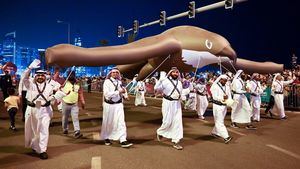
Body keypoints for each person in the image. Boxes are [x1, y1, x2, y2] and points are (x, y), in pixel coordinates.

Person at [22, 59, 58, 160]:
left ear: (45, 77)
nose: (40, 77)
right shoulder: (30, 84)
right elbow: (24, 78)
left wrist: (52, 99)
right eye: (38, 75)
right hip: (32, 109)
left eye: (42, 75)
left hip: (45, 110)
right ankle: (34, 146)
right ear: (35, 76)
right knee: (33, 130)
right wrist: (29, 68)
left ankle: (42, 150)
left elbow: (57, 93)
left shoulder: (50, 86)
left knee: (44, 130)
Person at [100, 67, 133, 148]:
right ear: (110, 74)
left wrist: (125, 96)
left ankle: (123, 140)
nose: (115, 74)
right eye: (113, 72)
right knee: (108, 122)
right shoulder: (107, 82)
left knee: (121, 122)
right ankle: (106, 137)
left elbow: (123, 91)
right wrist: (119, 91)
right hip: (109, 105)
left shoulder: (119, 82)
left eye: (116, 72)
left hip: (118, 105)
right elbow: (107, 94)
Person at [154, 67, 183, 150]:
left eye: (177, 72)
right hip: (167, 103)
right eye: (173, 72)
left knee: (177, 122)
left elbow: (180, 93)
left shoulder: (180, 83)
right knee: (167, 121)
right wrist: (160, 80)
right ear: (170, 73)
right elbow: (156, 88)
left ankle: (176, 141)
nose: (175, 74)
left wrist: (182, 97)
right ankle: (160, 132)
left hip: (177, 104)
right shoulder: (165, 81)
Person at [61, 71, 85, 138]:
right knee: (65, 118)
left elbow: (80, 93)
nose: (71, 76)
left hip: (74, 104)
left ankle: (77, 132)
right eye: (69, 74)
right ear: (67, 75)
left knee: (75, 118)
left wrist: (82, 101)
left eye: (72, 74)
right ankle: (65, 129)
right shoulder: (64, 82)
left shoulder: (78, 83)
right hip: (65, 103)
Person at [210, 75, 233, 144]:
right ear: (220, 79)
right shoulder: (215, 86)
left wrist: (229, 101)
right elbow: (215, 96)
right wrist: (223, 98)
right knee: (219, 122)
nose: (225, 81)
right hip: (217, 106)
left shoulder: (227, 87)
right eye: (223, 80)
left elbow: (229, 96)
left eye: (226, 80)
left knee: (220, 120)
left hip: (224, 106)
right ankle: (226, 137)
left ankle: (215, 132)